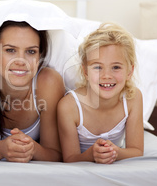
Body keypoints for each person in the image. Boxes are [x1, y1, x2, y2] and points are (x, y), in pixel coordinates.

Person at [0, 21, 64, 162]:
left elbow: (55, 155)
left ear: (39, 57)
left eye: (31, 51)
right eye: (10, 50)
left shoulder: (48, 82)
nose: (21, 61)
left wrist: (32, 148)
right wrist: (0, 149)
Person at [57, 22, 144, 163]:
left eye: (116, 67)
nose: (107, 76)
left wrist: (116, 152)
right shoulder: (69, 106)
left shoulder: (133, 98)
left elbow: (136, 150)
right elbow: (70, 158)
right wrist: (91, 155)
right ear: (85, 71)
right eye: (98, 67)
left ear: (130, 71)